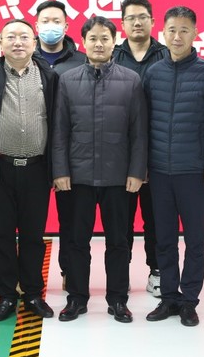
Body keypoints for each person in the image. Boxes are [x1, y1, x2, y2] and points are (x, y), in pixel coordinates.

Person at [52, 16, 147, 323]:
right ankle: (76, 298)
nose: (98, 43)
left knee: (119, 241)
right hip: (77, 177)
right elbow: (59, 131)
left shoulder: (131, 80)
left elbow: (139, 132)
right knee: (76, 240)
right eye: (92, 38)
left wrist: (137, 171)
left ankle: (118, 299)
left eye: (105, 38)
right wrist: (60, 171)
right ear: (83, 42)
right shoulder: (67, 80)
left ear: (114, 42)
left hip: (118, 177)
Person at [0, 19, 58, 322]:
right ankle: (6, 296)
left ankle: (32, 293)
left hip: (37, 169)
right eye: (11, 37)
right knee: (2, 236)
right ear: (1, 43)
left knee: (33, 236)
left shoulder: (49, 76)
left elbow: (58, 125)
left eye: (24, 37)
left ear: (34, 42)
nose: (18, 42)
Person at [142, 6, 204, 327]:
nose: (177, 36)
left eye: (184, 30)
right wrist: (142, 166)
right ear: (163, 32)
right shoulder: (153, 73)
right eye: (172, 30)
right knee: (163, 239)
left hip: (194, 172)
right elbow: (143, 124)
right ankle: (168, 297)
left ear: (195, 33)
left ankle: (189, 300)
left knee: (195, 240)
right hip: (159, 172)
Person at [112, 0, 168, 297]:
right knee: (121, 220)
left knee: (156, 219)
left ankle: (157, 271)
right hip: (121, 154)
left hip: (158, 151)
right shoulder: (113, 56)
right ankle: (121, 274)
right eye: (131, 18)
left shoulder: (166, 55)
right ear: (122, 24)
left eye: (142, 17)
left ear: (152, 21)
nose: (137, 22)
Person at [32, 0, 88, 289]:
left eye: (56, 21)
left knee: (71, 219)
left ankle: (70, 272)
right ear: (36, 25)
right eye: (45, 21)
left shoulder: (82, 61)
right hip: (34, 151)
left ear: (66, 27)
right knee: (31, 221)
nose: (50, 26)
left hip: (71, 152)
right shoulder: (24, 59)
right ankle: (30, 277)